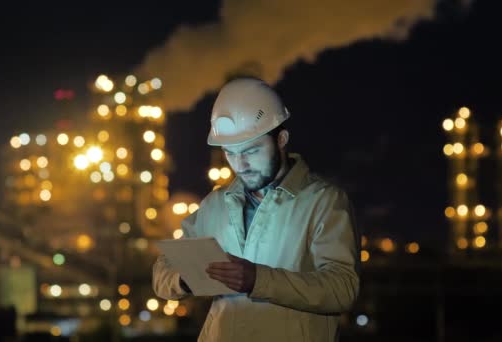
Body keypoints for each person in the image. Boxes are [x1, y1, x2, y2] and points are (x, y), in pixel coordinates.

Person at [153, 77, 361, 341]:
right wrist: (186, 278)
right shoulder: (216, 204)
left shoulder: (324, 203)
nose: (240, 165)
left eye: (251, 150)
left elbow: (342, 289)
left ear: (282, 139)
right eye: (230, 153)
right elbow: (162, 269)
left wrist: (257, 280)